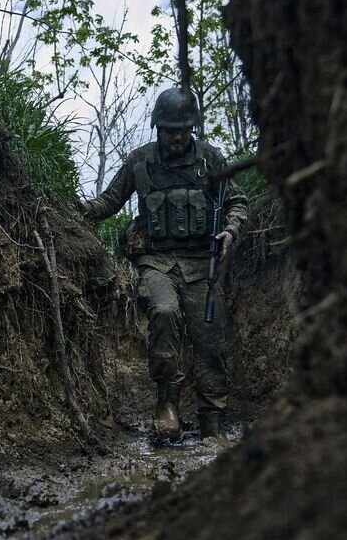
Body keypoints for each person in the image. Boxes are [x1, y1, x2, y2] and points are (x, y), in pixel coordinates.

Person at [81, 87, 249, 441]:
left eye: (184, 129)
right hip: (156, 260)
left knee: (211, 338)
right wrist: (77, 209)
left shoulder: (210, 160)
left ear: (193, 128)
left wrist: (230, 232)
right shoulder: (140, 162)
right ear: (157, 126)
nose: (177, 136)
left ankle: (212, 423)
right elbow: (109, 202)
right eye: (170, 128)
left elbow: (237, 201)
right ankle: (166, 404)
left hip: (201, 264)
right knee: (164, 311)